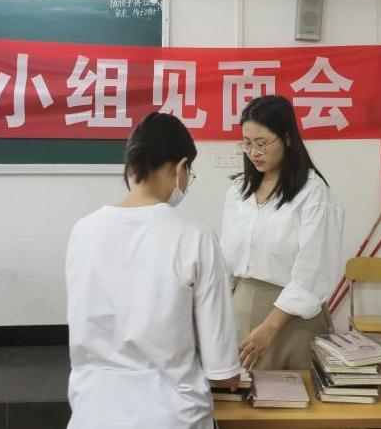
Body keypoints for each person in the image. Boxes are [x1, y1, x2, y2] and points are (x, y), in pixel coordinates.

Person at [65, 112, 241, 429]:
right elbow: (221, 368)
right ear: (180, 167)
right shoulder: (195, 236)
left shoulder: (83, 231)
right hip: (173, 416)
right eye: (189, 173)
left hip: (92, 413)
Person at [220, 95, 344, 371]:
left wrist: (270, 328)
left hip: (291, 320)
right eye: (247, 143)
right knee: (242, 393)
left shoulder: (313, 194)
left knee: (293, 391)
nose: (253, 152)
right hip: (240, 308)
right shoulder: (238, 192)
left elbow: (313, 271)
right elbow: (226, 263)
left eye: (262, 143)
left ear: (287, 139)